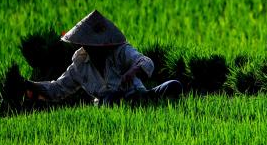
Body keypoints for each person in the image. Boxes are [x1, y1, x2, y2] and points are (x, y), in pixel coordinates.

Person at [26, 10, 182, 106]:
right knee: (111, 98)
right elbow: (57, 88)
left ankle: (145, 105)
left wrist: (133, 71)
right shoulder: (80, 63)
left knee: (173, 85)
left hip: (137, 96)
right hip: (109, 103)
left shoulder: (120, 50)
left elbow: (145, 61)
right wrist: (29, 85)